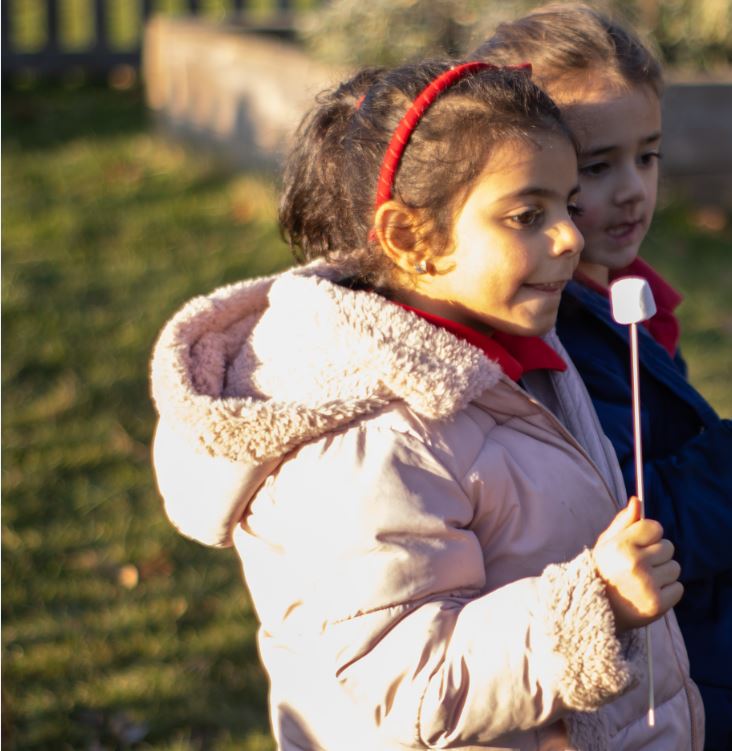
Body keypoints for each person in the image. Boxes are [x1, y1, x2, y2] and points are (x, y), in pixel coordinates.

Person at [149, 59, 702, 749]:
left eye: (567, 204)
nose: (570, 236)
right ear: (411, 238)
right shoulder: (370, 443)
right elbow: (411, 683)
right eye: (527, 215)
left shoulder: (511, 348)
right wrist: (597, 603)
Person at [475, 7, 732, 750]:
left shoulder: (631, 303)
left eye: (647, 157)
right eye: (597, 167)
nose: (632, 190)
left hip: (720, 653)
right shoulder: (552, 346)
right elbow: (631, 522)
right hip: (665, 690)